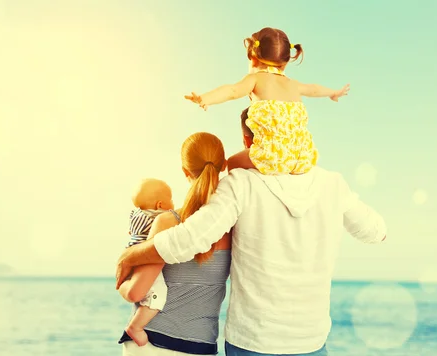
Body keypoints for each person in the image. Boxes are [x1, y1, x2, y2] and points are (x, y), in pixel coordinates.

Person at [116, 108, 387, 356]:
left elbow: (186, 242)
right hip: (311, 341)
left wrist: (128, 256)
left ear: (247, 142)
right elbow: (376, 233)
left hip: (253, 341)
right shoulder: (332, 184)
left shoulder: (240, 185)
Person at [118, 132, 232, 355]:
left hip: (149, 344)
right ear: (224, 166)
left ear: (185, 171)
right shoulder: (234, 228)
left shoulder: (167, 222)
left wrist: (121, 283)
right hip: (200, 347)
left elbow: (135, 293)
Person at [185, 27, 350, 176]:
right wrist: (334, 93)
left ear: (254, 58)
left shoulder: (255, 79)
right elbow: (314, 89)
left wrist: (206, 98)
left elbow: (232, 91)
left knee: (233, 162)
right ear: (284, 64)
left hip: (274, 156)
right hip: (304, 156)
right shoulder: (293, 84)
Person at [123, 178, 174, 346]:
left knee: (142, 291)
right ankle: (135, 327)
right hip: (145, 258)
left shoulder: (135, 215)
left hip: (132, 254)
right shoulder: (160, 218)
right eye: (171, 199)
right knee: (157, 297)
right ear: (160, 204)